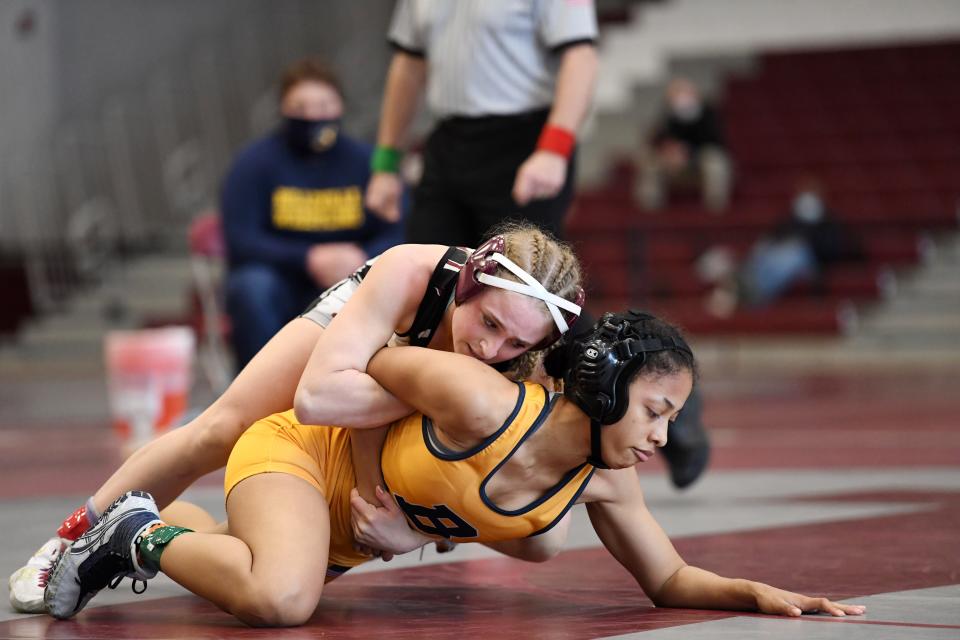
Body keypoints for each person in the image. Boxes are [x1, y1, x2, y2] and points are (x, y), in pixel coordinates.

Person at [44, 311, 865, 626]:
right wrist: (376, 491)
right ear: (607, 387)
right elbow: (368, 358)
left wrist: (755, 592)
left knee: (258, 562)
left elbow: (667, 577)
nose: (660, 437)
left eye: (672, 421)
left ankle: (171, 529)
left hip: (348, 537)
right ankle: (131, 533)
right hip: (300, 455)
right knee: (280, 600)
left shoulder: (605, 479)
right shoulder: (480, 402)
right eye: (656, 410)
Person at [8, 223, 584, 613]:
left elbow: (536, 521)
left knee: (281, 569)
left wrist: (419, 525)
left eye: (515, 342)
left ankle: (153, 524)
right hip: (362, 336)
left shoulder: (525, 363)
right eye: (488, 324)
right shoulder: (412, 274)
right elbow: (317, 399)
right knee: (221, 429)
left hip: (377, 391)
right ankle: (66, 542)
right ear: (466, 287)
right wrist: (434, 394)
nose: (492, 349)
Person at [364, 0, 599, 248]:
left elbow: (581, 57)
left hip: (522, 145)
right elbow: (409, 64)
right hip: (449, 140)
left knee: (516, 278)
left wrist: (553, 151)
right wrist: (386, 164)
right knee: (428, 268)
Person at [222, 57, 404, 369]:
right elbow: (241, 239)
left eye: (323, 105)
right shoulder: (253, 164)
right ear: (282, 109)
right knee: (250, 286)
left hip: (353, 275)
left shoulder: (366, 162)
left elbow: (397, 229)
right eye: (300, 107)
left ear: (341, 107)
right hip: (281, 278)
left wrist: (360, 258)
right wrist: (308, 258)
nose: (313, 116)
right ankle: (260, 393)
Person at [702, 176, 864, 317]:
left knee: (793, 254)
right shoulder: (790, 220)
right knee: (766, 247)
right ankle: (740, 281)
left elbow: (832, 250)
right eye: (803, 192)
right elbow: (773, 237)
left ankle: (754, 293)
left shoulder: (828, 222)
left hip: (811, 264)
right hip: (776, 258)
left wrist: (805, 243)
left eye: (811, 192)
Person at [635, 77, 732, 213]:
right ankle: (649, 210)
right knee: (649, 162)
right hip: (674, 162)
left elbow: (715, 142)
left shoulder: (708, 113)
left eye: (684, 93)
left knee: (716, 162)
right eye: (677, 94)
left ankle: (715, 208)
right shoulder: (668, 115)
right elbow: (658, 140)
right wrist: (670, 151)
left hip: (699, 159)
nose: (681, 98)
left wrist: (689, 152)